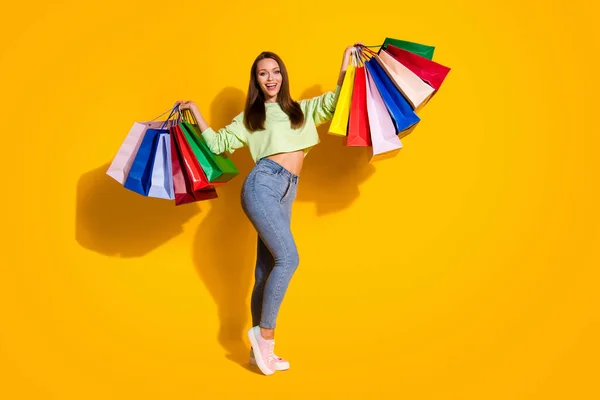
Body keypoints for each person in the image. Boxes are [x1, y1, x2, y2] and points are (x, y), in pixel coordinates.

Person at [177, 45, 355, 375]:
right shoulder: (251, 119)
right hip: (262, 185)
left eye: (275, 71)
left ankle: (257, 354)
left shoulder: (303, 111)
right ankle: (265, 338)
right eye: (263, 73)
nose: (270, 77)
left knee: (266, 269)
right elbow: (217, 145)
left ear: (283, 76)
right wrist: (195, 111)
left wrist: (346, 59)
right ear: (256, 81)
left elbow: (337, 100)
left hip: (287, 191)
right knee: (289, 259)